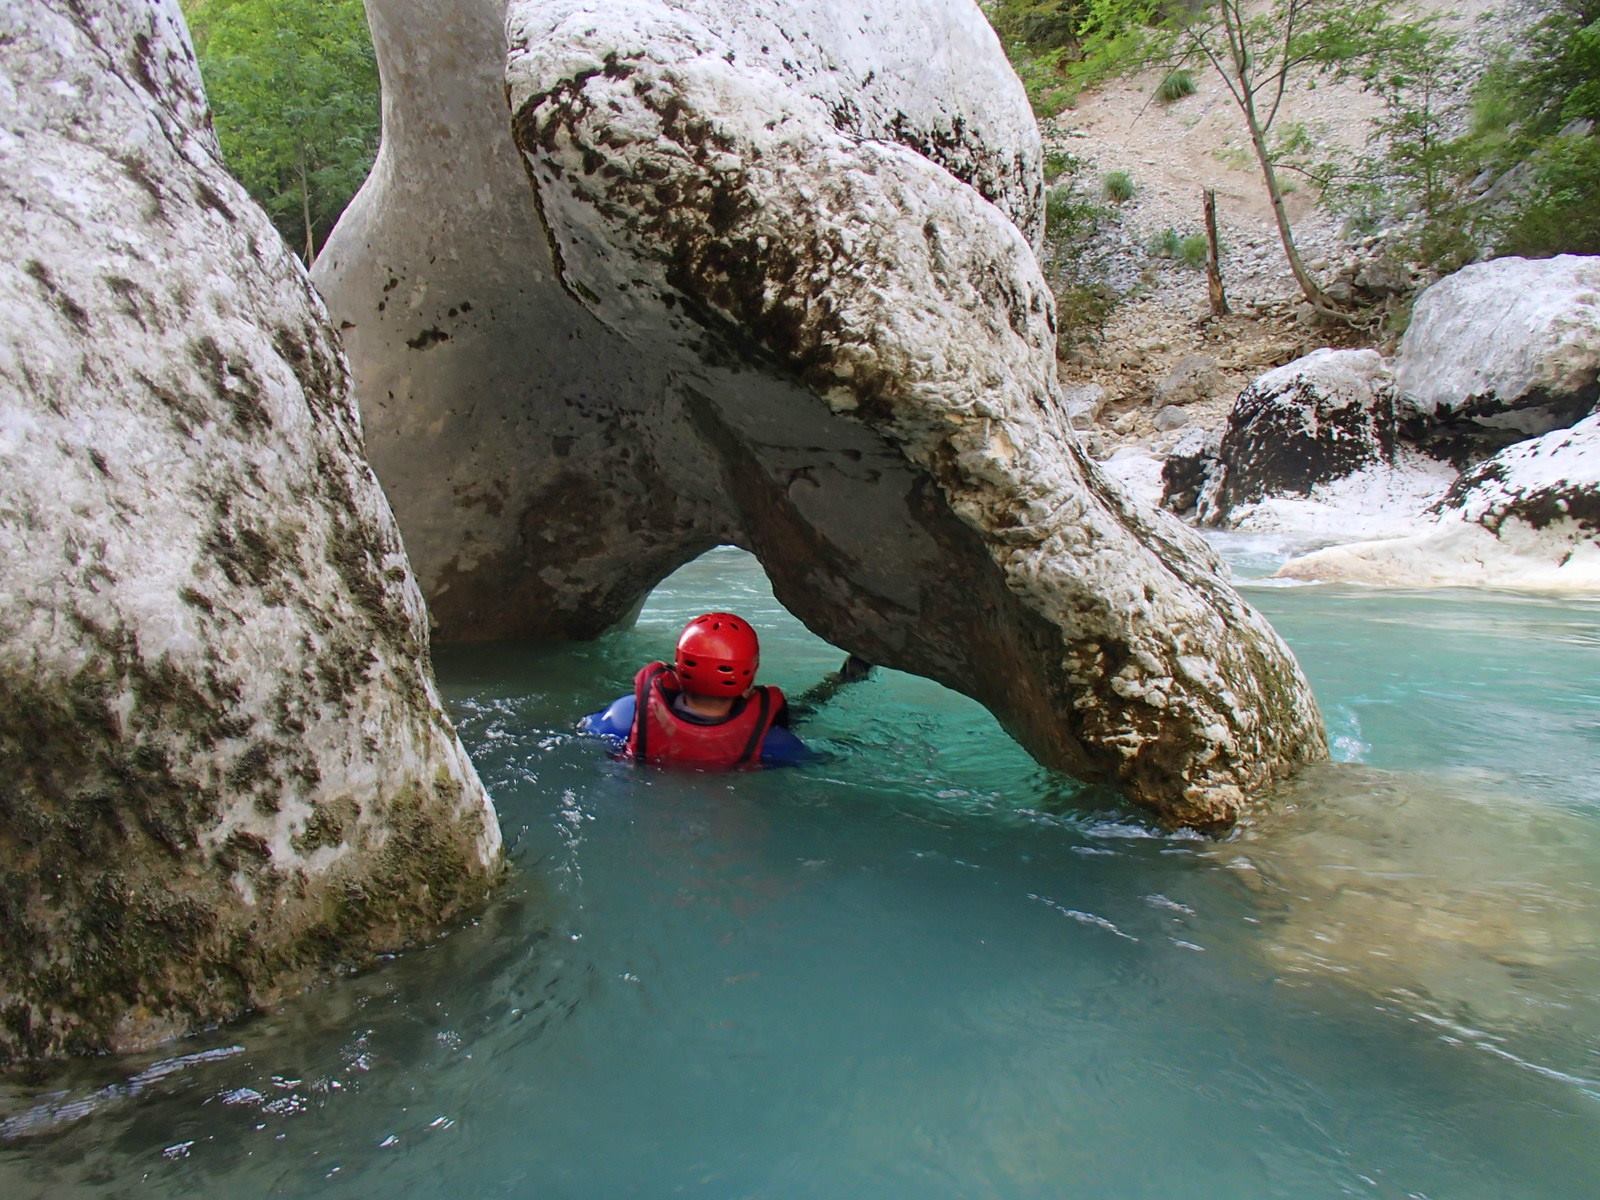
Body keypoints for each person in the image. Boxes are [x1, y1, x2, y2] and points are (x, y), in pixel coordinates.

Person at [579, 612, 814, 768]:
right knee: (806, 710)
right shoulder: (773, 742)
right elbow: (817, 761)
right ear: (748, 678)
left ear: (678, 667)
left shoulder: (627, 714)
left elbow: (585, 730)